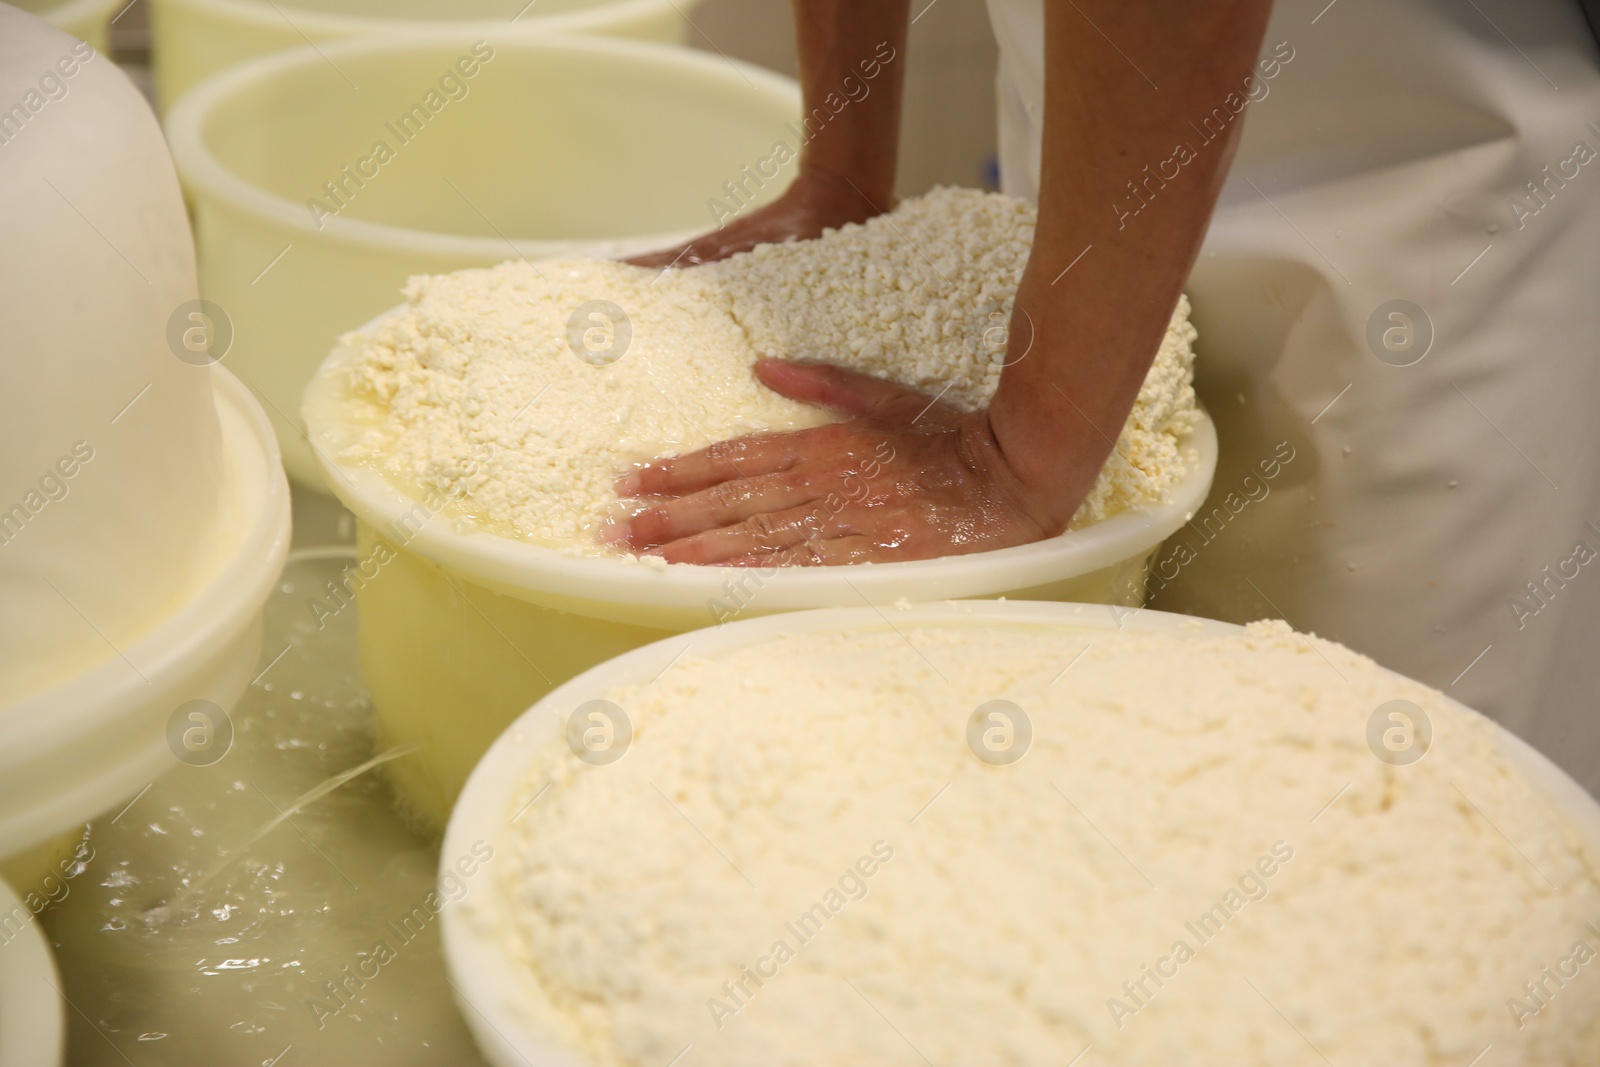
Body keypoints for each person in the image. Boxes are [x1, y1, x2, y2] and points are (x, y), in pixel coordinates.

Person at [625, 0, 1600, 796]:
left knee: (1369, 807)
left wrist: (1018, 452)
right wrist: (841, 167)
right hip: (1096, 174)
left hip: (1399, 211)